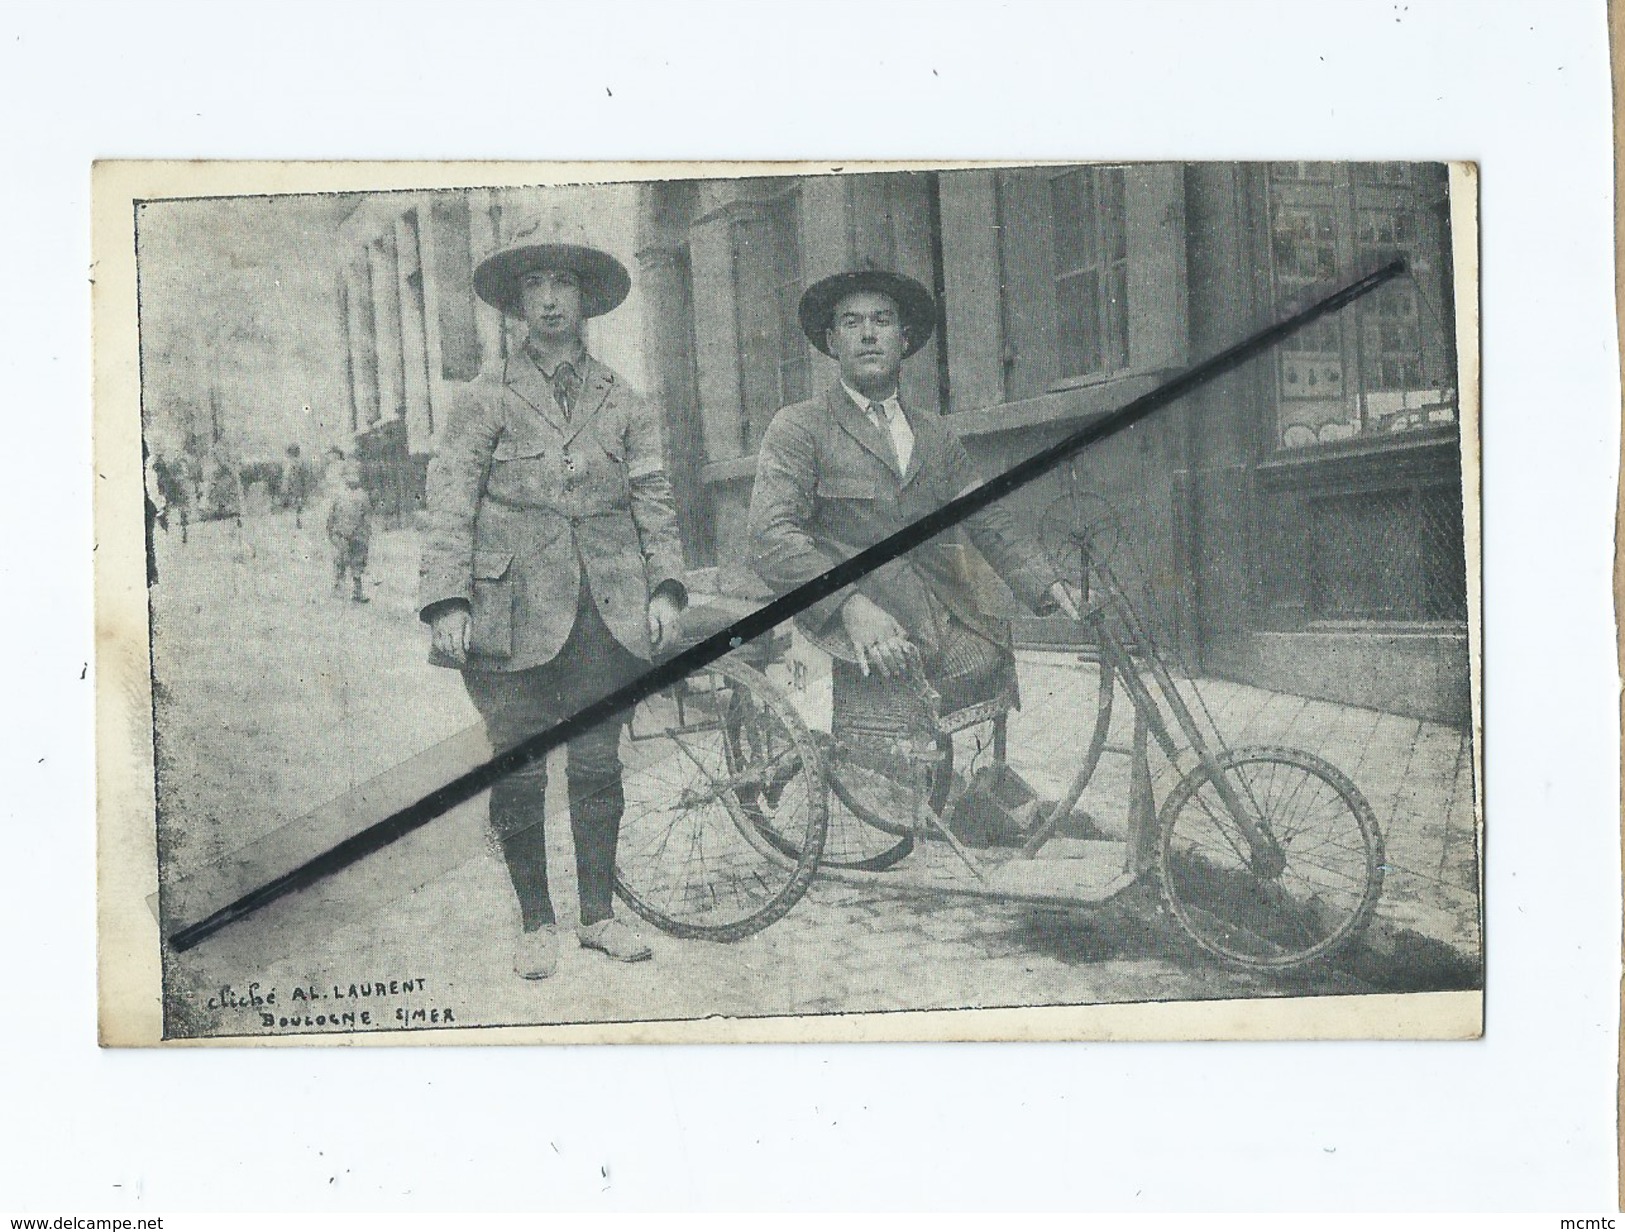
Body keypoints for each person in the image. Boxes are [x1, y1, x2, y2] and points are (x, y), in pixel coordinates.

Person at [418, 219, 686, 980]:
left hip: (607, 609)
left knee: (599, 763)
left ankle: (598, 916)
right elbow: (450, 500)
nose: (548, 300)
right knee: (521, 766)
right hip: (508, 614)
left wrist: (663, 587)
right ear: (514, 303)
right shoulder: (485, 397)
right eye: (533, 285)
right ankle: (535, 922)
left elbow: (652, 496)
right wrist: (447, 600)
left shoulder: (624, 399)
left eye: (562, 283)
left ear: (585, 299)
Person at [747, 269, 1080, 724]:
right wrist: (850, 606)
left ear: (903, 340)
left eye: (882, 321)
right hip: (841, 626)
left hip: (930, 616)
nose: (868, 334)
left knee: (990, 665)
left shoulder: (934, 433)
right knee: (888, 742)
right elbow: (772, 538)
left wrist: (1046, 582)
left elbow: (984, 515)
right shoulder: (799, 427)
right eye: (851, 323)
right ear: (831, 342)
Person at [326, 459, 372, 603]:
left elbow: (366, 516)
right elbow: (332, 515)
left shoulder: (362, 496)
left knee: (357, 562)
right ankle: (339, 587)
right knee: (341, 560)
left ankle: (357, 591)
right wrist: (331, 531)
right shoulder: (339, 495)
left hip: (357, 535)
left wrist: (365, 534)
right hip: (342, 534)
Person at [281, 443, 314, 528]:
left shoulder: (290, 463)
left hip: (292, 484)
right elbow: (306, 474)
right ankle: (297, 519)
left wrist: (285, 485)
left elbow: (286, 475)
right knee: (298, 502)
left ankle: (294, 519)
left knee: (291, 501)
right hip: (299, 485)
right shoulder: (301, 462)